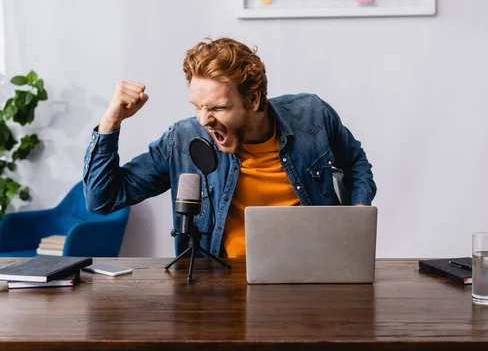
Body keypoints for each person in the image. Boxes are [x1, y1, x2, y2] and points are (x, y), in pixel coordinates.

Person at [83, 37, 376, 258]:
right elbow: (102, 200)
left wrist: (360, 208)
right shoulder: (183, 140)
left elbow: (355, 162)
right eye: (197, 106)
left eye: (219, 108)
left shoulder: (312, 115)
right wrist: (111, 121)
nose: (204, 120)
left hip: (317, 269)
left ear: (254, 100)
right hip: (220, 285)